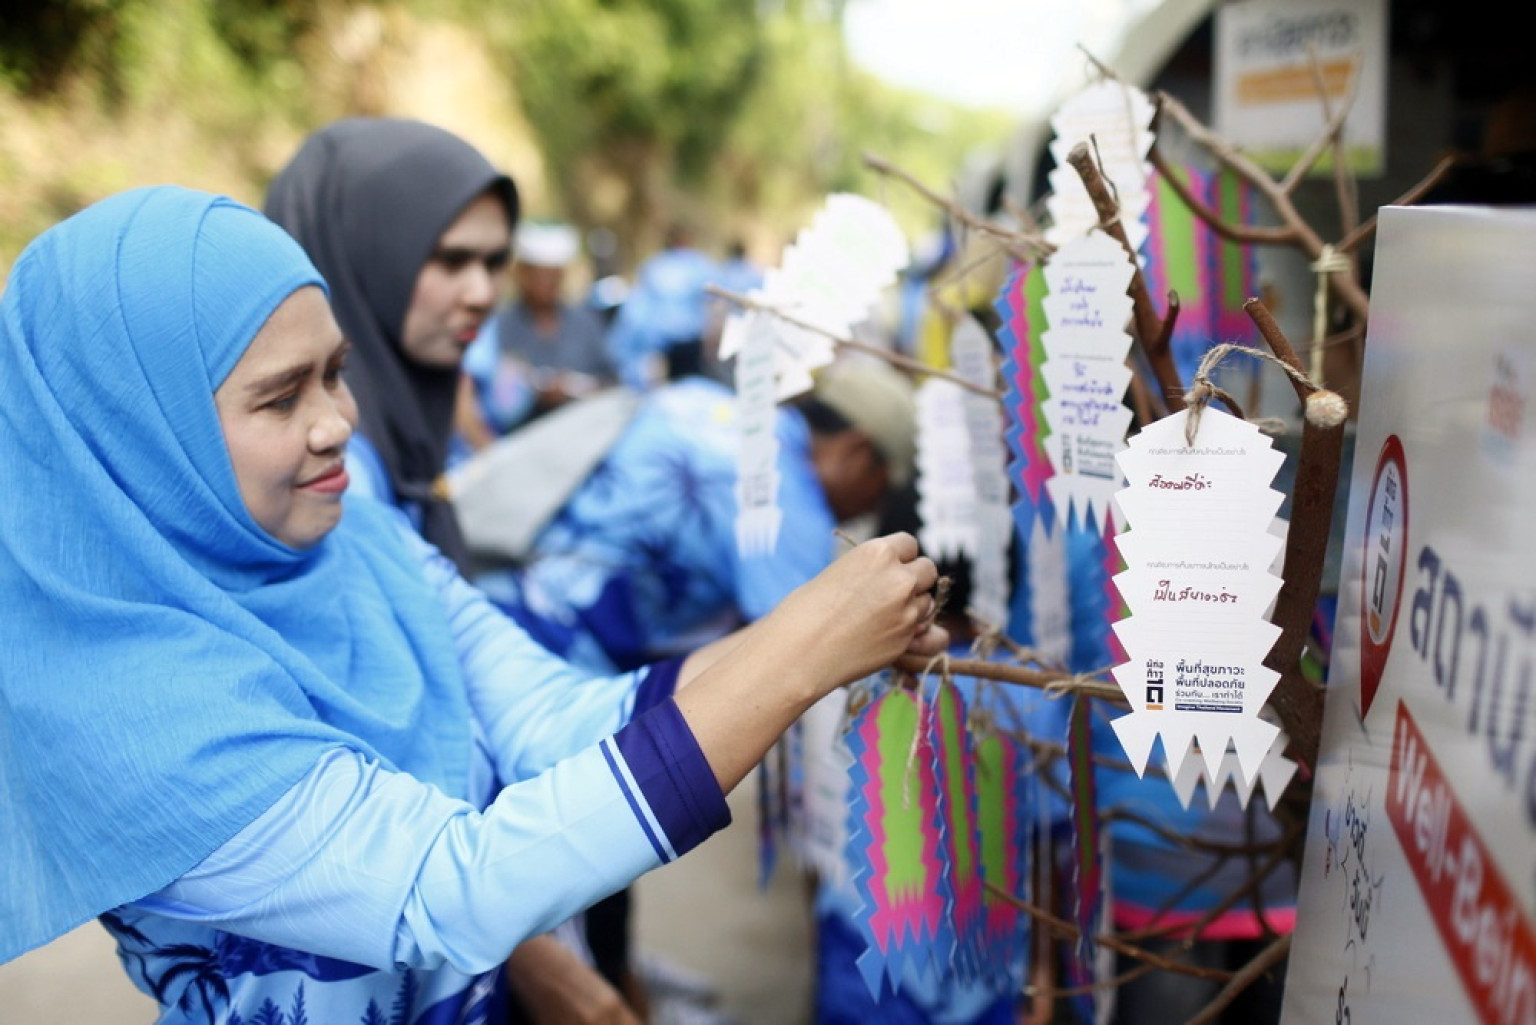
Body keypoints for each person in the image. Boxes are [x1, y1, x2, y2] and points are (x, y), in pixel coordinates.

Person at [0, 185, 947, 1024]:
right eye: (281, 397)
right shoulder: (126, 714)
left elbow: (555, 716)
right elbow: (454, 887)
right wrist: (800, 650)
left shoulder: (357, 541)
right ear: (138, 433)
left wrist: (812, 635)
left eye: (335, 372)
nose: (338, 422)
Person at [260, 115, 632, 1020]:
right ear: (366, 253)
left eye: (494, 262)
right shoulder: (325, 479)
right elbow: (355, 776)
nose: (480, 292)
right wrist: (536, 959)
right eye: (451, 258)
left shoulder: (400, 440)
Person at [473, 354, 918, 677]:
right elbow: (798, 655)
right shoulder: (790, 510)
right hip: (552, 662)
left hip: (490, 593)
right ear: (857, 453)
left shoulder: (701, 398)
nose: (869, 511)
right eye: (879, 492)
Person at [457, 221, 617, 446]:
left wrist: (580, 389)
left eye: (553, 275)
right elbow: (477, 397)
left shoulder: (584, 323)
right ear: (522, 274)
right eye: (539, 274)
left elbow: (613, 382)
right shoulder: (498, 326)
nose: (547, 283)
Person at [605, 222, 719, 390]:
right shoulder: (698, 264)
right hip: (684, 343)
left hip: (670, 343)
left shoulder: (655, 265)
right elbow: (713, 304)